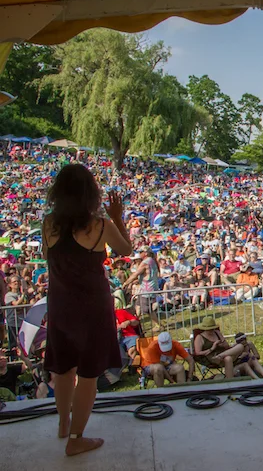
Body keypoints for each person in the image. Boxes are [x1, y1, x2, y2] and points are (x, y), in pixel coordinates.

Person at [42, 164, 132, 456]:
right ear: (90, 193)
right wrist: (117, 217)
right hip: (92, 307)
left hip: (60, 304)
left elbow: (48, 257)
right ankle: (77, 438)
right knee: (89, 374)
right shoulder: (100, 225)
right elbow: (126, 250)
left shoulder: (48, 224)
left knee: (63, 369)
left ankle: (63, 425)